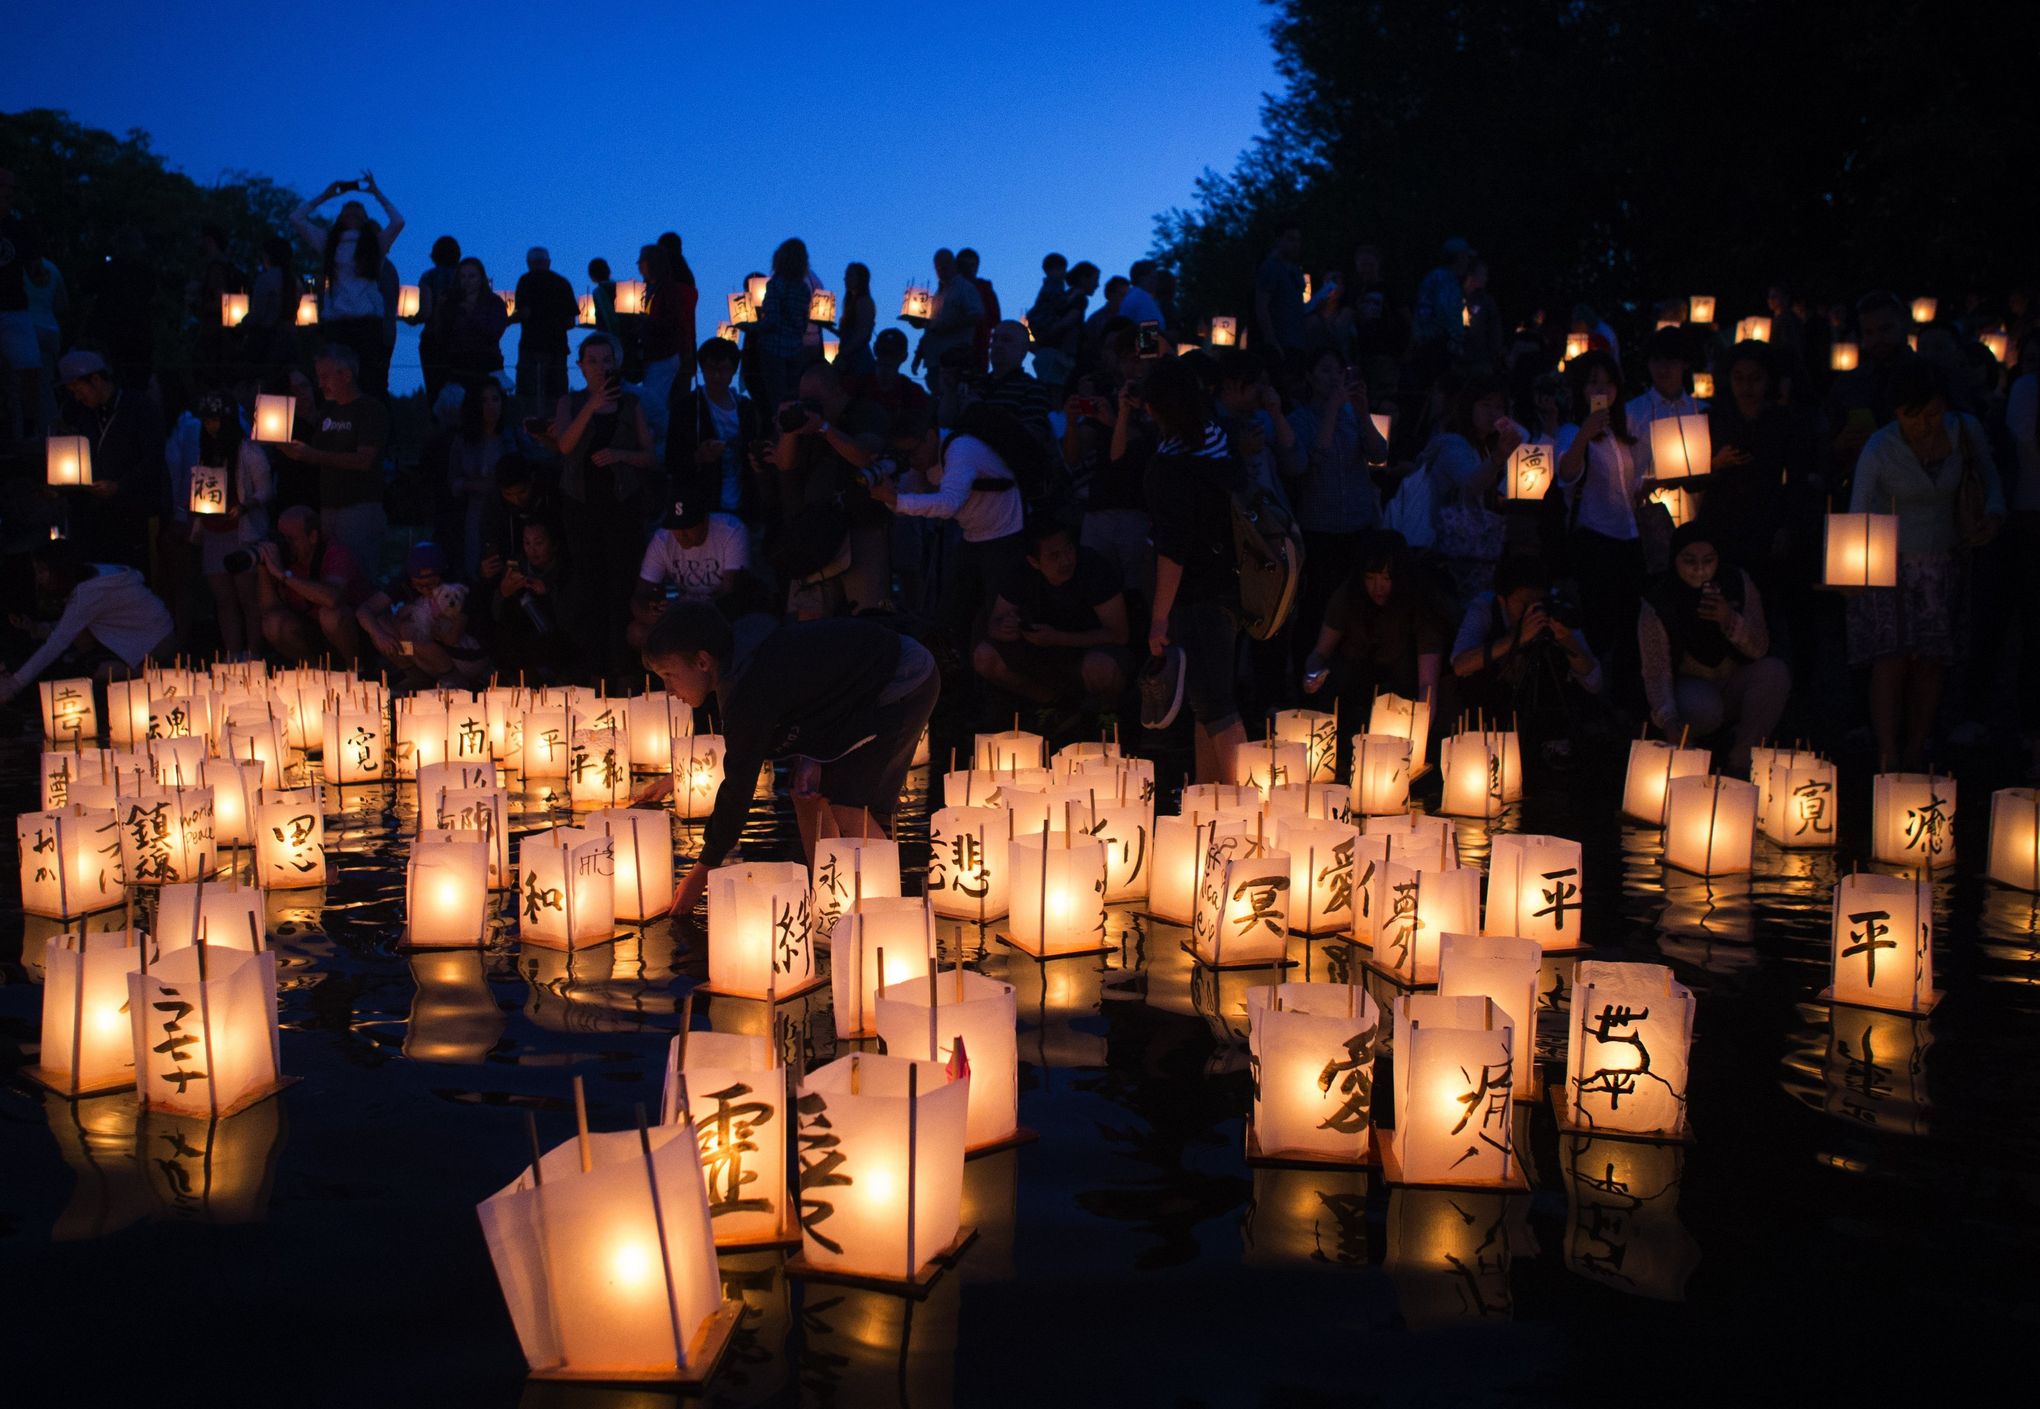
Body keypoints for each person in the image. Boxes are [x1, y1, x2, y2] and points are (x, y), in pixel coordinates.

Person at [642, 606, 941, 915]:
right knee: (808, 796)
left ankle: (882, 921)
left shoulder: (749, 687)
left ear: (703, 662)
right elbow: (808, 692)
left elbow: (738, 787)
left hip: (899, 678)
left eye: (669, 675)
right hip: (855, 693)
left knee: (851, 807)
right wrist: (812, 756)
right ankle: (830, 909)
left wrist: (702, 871)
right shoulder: (741, 657)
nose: (668, 690)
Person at [1846, 360, 2005, 770]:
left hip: (1941, 561)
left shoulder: (1963, 430)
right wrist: (1850, 569)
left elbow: (1990, 481)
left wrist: (1992, 515)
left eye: (1932, 413)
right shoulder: (1881, 447)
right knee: (1890, 657)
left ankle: (1917, 746)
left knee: (1931, 659)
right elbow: (1858, 508)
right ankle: (1888, 751)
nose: (1923, 424)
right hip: (1887, 562)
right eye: (1911, 415)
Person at [1139, 357, 1246, 783]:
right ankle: (1210, 800)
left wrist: (1159, 618)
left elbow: (1174, 550)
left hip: (1198, 596)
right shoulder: (1218, 441)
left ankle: (1254, 810)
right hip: (1232, 587)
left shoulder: (1172, 467)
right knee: (1207, 699)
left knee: (1217, 704)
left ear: (1156, 408)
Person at [1638, 522, 1789, 772]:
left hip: (1733, 680)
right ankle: (1692, 759)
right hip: (1691, 690)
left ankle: (1741, 758)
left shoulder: (1736, 582)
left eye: (1708, 560)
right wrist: (1668, 721)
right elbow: (1656, 670)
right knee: (1704, 708)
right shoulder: (1660, 602)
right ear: (1675, 559)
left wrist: (1729, 619)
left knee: (1774, 673)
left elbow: (1760, 647)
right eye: (1689, 561)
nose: (1700, 570)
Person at [871, 404, 1028, 641]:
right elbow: (907, 502)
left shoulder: (961, 449)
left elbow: (949, 504)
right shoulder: (925, 458)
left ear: (931, 436)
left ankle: (993, 666)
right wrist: (888, 489)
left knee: (998, 615)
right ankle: (955, 667)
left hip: (1004, 537)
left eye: (913, 452)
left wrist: (895, 499)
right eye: (904, 455)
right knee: (954, 614)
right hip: (974, 537)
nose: (910, 460)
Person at [552, 333, 657, 679]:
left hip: (622, 506)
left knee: (621, 588)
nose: (599, 367)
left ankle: (622, 671)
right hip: (581, 507)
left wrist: (620, 455)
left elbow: (650, 456)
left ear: (616, 363)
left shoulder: (631, 404)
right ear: (581, 366)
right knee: (588, 587)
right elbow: (565, 445)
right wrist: (591, 406)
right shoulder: (571, 402)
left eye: (605, 360)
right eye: (592, 361)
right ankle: (590, 670)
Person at [973, 519, 1133, 712]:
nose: (1065, 561)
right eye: (1054, 556)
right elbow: (994, 623)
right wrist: (1006, 628)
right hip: (1042, 653)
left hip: (1089, 650)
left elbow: (1119, 634)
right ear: (1034, 562)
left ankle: (1106, 715)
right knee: (985, 657)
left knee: (1101, 668)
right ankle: (1054, 705)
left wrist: (1058, 638)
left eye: (1068, 550)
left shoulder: (1093, 569)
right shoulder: (1020, 572)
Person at [1449, 554, 1604, 752]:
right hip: (1495, 713)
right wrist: (1515, 639)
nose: (1532, 611)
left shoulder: (1557, 609)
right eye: (1523, 605)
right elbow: (1460, 665)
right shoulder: (1486, 607)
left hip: (1549, 717)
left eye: (1538, 603)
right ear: (1502, 600)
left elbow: (1594, 682)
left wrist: (1567, 639)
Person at [1553, 350, 1644, 669]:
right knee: (1598, 625)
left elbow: (1629, 488)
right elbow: (1566, 473)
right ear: (1580, 389)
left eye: (1608, 383)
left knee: (1629, 623)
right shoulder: (1570, 432)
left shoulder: (1623, 435)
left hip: (1629, 541)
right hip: (1595, 542)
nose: (1602, 390)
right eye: (1593, 383)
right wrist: (1584, 434)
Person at [1285, 348, 1386, 628]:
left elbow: (1379, 455)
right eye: (1326, 370)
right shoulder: (1299, 420)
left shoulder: (1353, 417)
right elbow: (1314, 459)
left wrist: (1364, 413)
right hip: (1319, 529)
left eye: (1339, 372)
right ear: (1310, 376)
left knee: (1356, 607)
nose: (1334, 378)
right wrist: (1331, 410)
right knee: (1317, 607)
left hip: (1357, 524)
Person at [0, 542, 176, 702]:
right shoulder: (92, 579)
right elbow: (70, 626)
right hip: (151, 633)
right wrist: (37, 629)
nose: (38, 578)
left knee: (82, 669)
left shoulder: (87, 594)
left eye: (42, 571)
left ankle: (145, 673)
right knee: (78, 646)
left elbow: (57, 642)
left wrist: (15, 684)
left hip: (153, 643)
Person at [1302, 530, 1451, 712]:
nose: (1377, 587)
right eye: (1370, 578)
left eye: (1387, 578)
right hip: (1356, 689)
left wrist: (1421, 728)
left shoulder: (1420, 602)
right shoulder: (1348, 596)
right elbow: (1320, 653)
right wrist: (1312, 674)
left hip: (1403, 692)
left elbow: (1427, 685)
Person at [274, 343, 390, 576]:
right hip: (328, 510)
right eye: (318, 377)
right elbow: (315, 451)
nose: (320, 383)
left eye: (324, 376)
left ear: (346, 375)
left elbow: (364, 460)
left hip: (359, 508)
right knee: (332, 573)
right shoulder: (328, 411)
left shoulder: (370, 409)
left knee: (359, 574)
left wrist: (313, 455)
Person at [289, 172, 404, 394]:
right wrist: (325, 196)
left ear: (365, 219)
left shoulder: (375, 245)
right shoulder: (328, 243)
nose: (352, 213)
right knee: (336, 382)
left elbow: (398, 221)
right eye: (347, 210)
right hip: (337, 324)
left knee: (370, 383)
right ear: (340, 218)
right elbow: (296, 218)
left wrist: (376, 192)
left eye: (358, 211)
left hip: (368, 324)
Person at [54, 350, 166, 571]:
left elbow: (153, 458)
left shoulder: (138, 407)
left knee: (131, 574)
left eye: (79, 389)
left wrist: (120, 485)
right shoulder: (83, 414)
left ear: (96, 380)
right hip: (94, 515)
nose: (77, 397)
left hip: (132, 512)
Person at [188, 391, 274, 658]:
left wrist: (245, 507)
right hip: (214, 533)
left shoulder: (248, 451)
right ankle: (232, 653)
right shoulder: (204, 453)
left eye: (214, 420)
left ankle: (253, 653)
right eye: (207, 421)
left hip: (241, 533)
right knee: (224, 600)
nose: (210, 426)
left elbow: (266, 489)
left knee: (248, 599)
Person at [1422, 373, 1518, 603]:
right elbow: (1469, 484)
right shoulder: (1453, 445)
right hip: (1450, 552)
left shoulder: (1483, 446)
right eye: (1485, 405)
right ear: (1468, 406)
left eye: (1498, 407)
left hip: (1472, 551)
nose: (1493, 413)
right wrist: (1498, 458)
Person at [354, 542, 488, 687]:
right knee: (381, 623)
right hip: (425, 650)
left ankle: (454, 680)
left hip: (464, 658)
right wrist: (379, 635)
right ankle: (416, 676)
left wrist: (422, 631)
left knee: (410, 634)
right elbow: (365, 610)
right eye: (419, 585)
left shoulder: (456, 590)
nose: (425, 589)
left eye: (431, 585)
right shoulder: (404, 582)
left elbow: (453, 637)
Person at [255, 504, 372, 661]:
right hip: (312, 632)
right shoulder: (284, 558)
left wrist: (283, 575)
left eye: (291, 539)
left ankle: (356, 670)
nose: (285, 544)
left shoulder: (335, 553)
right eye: (281, 538)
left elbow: (332, 599)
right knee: (272, 624)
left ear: (313, 536)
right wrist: (263, 567)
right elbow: (269, 609)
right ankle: (314, 673)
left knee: (331, 616)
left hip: (353, 632)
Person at [629, 497, 750, 644]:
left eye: (687, 526)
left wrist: (683, 616)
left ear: (705, 520)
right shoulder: (663, 540)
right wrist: (651, 612)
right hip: (684, 614)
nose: (681, 534)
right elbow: (640, 595)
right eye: (676, 527)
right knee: (637, 632)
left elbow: (730, 596)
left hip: (719, 615)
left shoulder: (730, 531)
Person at [668, 336, 766, 517]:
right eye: (711, 369)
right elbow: (671, 460)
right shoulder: (688, 408)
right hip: (702, 506)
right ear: (702, 369)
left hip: (741, 503)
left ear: (733, 371)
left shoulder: (746, 409)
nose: (717, 376)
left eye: (723, 369)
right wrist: (698, 457)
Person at [448, 379, 521, 575]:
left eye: (495, 400)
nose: (491, 406)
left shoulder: (513, 436)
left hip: (508, 511)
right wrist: (474, 486)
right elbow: (453, 481)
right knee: (476, 561)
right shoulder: (463, 441)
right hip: (475, 512)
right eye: (484, 401)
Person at [0, 165, 50, 448]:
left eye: (10, 189)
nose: (8, 194)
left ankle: (30, 430)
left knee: (30, 366)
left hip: (13, 306)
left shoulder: (19, 228)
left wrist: (39, 273)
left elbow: (34, 269)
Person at [492, 519, 578, 681]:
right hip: (524, 643)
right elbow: (497, 615)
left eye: (539, 543)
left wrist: (548, 591)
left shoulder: (566, 571)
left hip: (560, 642)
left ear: (553, 544)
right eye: (527, 543)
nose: (533, 550)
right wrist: (503, 594)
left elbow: (572, 616)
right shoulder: (518, 567)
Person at [636, 242, 694, 448]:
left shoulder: (666, 289)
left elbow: (672, 320)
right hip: (657, 352)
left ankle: (660, 445)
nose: (637, 265)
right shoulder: (652, 289)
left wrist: (646, 323)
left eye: (641, 261)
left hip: (665, 353)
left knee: (654, 401)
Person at [1626, 326, 1701, 480]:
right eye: (1657, 361)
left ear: (1684, 363)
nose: (1663, 369)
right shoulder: (1631, 412)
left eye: (1671, 361)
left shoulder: (1701, 412)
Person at [513, 247, 578, 410]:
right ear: (548, 262)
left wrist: (506, 320)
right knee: (557, 398)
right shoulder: (562, 283)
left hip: (531, 347)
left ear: (529, 263)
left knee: (529, 399)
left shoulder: (525, 281)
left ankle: (528, 431)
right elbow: (571, 321)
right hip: (557, 348)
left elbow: (525, 313)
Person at [754, 237, 814, 415]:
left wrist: (753, 327)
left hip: (773, 349)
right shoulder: (803, 289)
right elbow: (803, 323)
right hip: (795, 349)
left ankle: (778, 435)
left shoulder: (776, 285)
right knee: (794, 398)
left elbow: (772, 319)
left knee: (776, 399)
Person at [433, 256, 508, 388]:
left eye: (472, 276)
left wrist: (470, 316)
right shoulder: (450, 303)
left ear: (481, 278)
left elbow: (494, 332)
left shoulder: (494, 303)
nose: (467, 281)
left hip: (487, 364)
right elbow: (441, 333)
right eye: (463, 276)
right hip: (457, 366)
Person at [914, 248, 982, 387]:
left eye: (945, 263)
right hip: (934, 360)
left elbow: (977, 315)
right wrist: (918, 356)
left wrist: (950, 325)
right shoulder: (938, 294)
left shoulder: (965, 288)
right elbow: (930, 328)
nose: (942, 268)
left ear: (954, 264)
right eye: (938, 266)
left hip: (954, 363)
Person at [975, 320, 1052, 441]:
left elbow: (1032, 437)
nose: (998, 344)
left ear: (1023, 351)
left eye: (1006, 340)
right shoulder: (976, 384)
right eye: (995, 339)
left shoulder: (1033, 389)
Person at [1030, 258, 1095, 395]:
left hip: (1047, 351)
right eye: (1094, 280)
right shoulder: (1077, 299)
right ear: (1083, 279)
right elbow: (1065, 323)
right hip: (1058, 354)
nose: (1097, 285)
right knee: (1055, 392)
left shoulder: (1062, 294)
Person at [1253, 222, 1307, 373]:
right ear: (1278, 240)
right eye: (1290, 239)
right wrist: (1272, 342)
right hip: (1281, 342)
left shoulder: (1295, 271)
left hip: (1297, 341)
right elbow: (1261, 306)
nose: (1296, 245)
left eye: (1298, 240)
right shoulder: (1270, 268)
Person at [415, 234, 463, 403]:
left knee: (435, 391)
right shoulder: (464, 277)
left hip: (433, 339)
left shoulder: (428, 277)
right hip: (462, 340)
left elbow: (425, 312)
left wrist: (412, 319)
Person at [957, 247, 1000, 371]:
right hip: (949, 350)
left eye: (972, 265)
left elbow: (995, 319)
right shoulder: (947, 289)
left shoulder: (985, 290)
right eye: (963, 265)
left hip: (977, 350)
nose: (968, 269)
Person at [835, 262, 877, 377]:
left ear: (860, 279)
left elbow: (862, 334)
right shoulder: (851, 302)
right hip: (851, 356)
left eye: (850, 275)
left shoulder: (864, 302)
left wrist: (843, 353)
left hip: (858, 359)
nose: (845, 279)